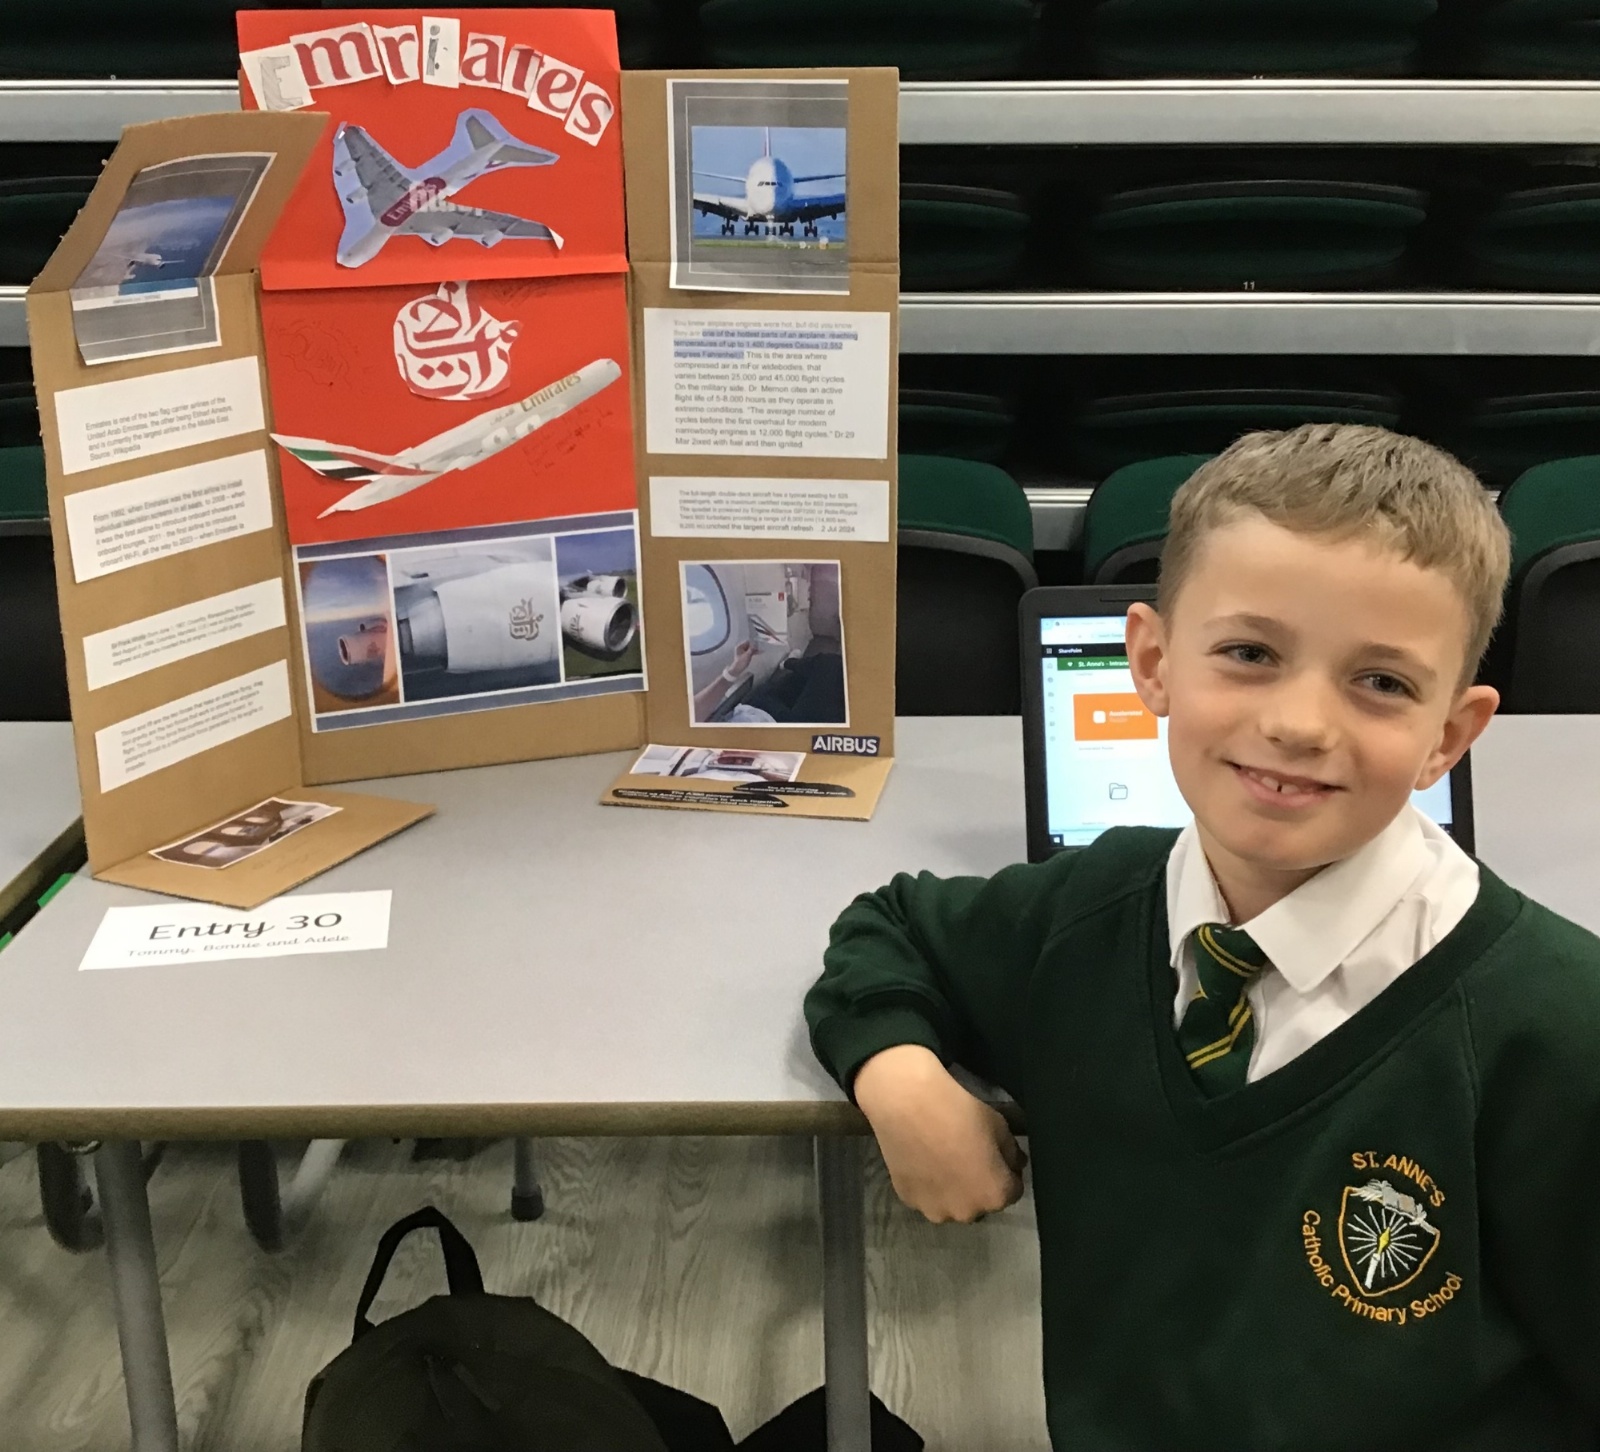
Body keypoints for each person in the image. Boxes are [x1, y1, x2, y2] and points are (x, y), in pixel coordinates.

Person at [804, 425, 1600, 1448]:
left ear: (1448, 734)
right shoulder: (1088, 910)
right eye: (1250, 654)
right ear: (1150, 661)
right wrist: (898, 1073)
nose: (1300, 723)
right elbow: (893, 928)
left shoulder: (1556, 1028)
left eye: (1382, 682)